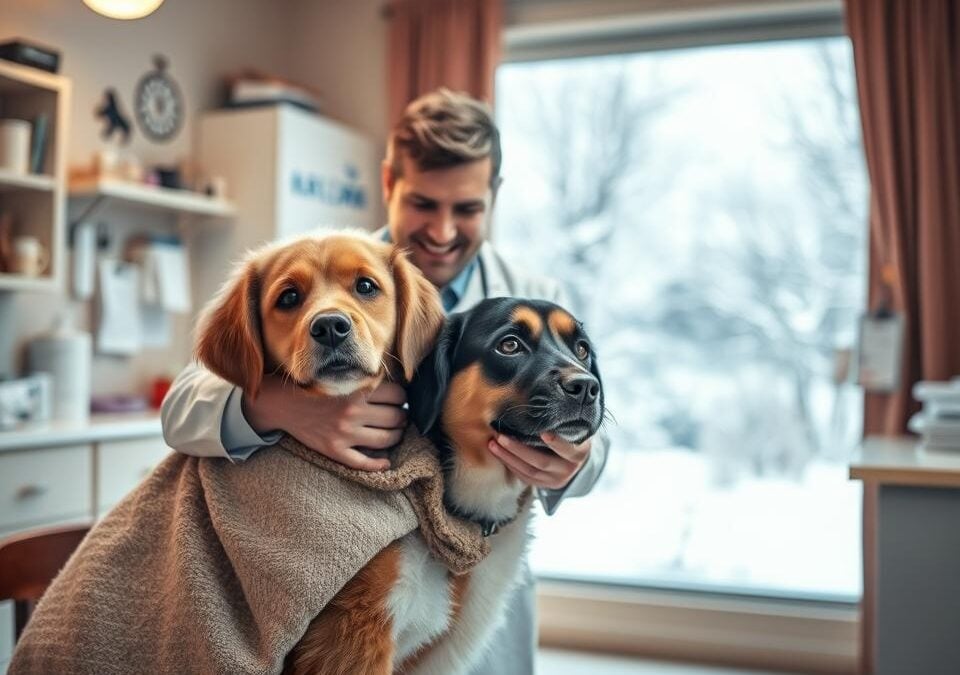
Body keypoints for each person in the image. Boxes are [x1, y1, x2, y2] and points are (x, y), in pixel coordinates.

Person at [161, 88, 609, 674]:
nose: (444, 230)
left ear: (494, 197)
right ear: (389, 182)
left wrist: (576, 462)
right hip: (363, 590)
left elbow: (592, 437)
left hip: (485, 581)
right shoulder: (337, 273)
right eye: (424, 203)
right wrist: (283, 407)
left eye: (467, 209)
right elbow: (180, 408)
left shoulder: (534, 293)